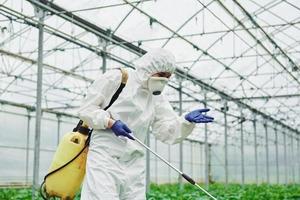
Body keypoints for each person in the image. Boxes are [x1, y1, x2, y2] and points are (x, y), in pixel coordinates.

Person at [78, 48, 214, 200]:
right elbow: (86, 109)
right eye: (161, 75)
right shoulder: (118, 78)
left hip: (135, 163)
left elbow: (165, 132)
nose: (164, 80)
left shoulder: (157, 98)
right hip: (105, 158)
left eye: (168, 77)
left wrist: (185, 121)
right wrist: (110, 122)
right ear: (150, 68)